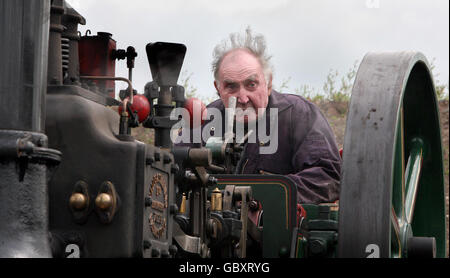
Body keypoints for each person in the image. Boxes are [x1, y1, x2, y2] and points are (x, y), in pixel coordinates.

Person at [183, 27, 341, 205]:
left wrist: (260, 200)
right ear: (218, 88)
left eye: (251, 84)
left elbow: (326, 176)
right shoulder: (201, 122)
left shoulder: (299, 115)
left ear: (268, 83)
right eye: (231, 87)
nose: (242, 98)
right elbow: (172, 171)